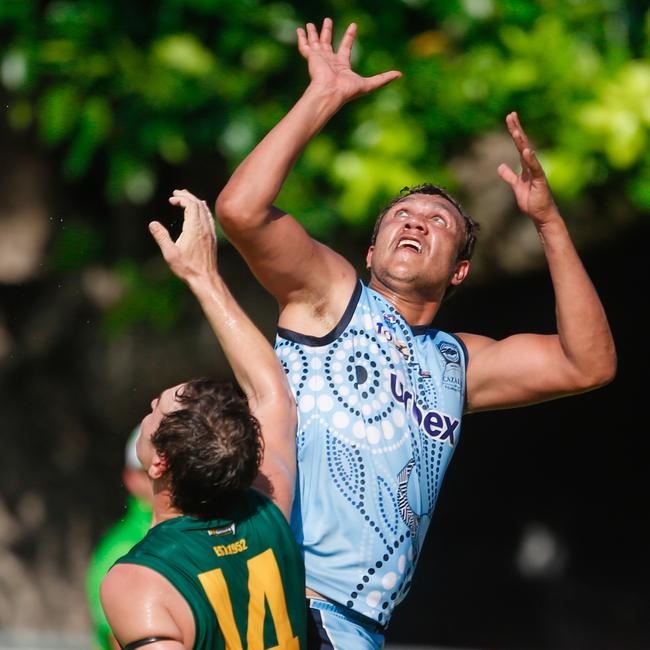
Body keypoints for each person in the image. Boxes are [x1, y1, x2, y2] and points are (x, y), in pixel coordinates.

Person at [214, 17, 617, 650]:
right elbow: (240, 211)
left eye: (437, 221)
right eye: (400, 215)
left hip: (359, 629)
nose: (415, 222)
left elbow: (588, 364)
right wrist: (320, 96)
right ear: (371, 250)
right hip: (275, 596)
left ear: (459, 270)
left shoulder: (459, 364)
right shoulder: (331, 297)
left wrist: (548, 224)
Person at [99, 191, 307, 650]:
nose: (151, 400)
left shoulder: (137, 582)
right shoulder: (268, 511)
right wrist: (203, 275)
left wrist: (201, 273)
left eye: (157, 410)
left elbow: (268, 395)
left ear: (159, 464)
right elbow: (271, 393)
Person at [86, 426, 154, 650]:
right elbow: (121, 641)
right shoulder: (122, 548)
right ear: (131, 478)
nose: (159, 477)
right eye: (148, 471)